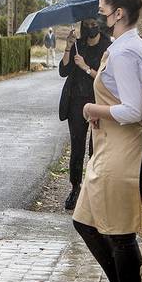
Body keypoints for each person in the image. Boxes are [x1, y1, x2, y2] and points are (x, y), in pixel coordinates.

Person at [72, 0, 142, 282]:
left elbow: (134, 109)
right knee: (85, 221)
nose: (100, 17)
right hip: (107, 148)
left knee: (119, 232)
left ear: (118, 13)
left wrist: (93, 108)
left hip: (124, 150)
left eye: (104, 11)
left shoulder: (126, 51)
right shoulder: (121, 48)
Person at [58, 16, 111, 211]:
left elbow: (106, 80)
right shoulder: (78, 45)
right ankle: (75, 187)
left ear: (100, 23)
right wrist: (68, 47)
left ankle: (93, 189)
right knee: (77, 146)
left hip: (99, 102)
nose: (91, 27)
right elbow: (63, 71)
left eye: (94, 23)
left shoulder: (108, 47)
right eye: (87, 24)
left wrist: (86, 68)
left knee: (95, 148)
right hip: (75, 103)